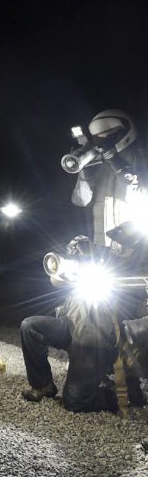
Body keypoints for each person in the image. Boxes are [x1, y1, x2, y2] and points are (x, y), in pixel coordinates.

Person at [21, 109, 148, 411]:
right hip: (105, 256)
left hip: (134, 257)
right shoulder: (99, 166)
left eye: (108, 137)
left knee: (79, 394)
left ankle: (122, 387)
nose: (103, 143)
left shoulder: (138, 163)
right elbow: (81, 199)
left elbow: (141, 190)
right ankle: (46, 383)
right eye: (98, 138)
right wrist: (84, 172)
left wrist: (117, 163)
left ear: (124, 133)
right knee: (33, 325)